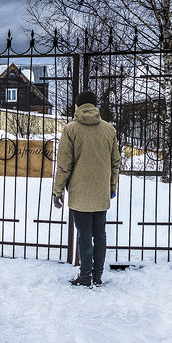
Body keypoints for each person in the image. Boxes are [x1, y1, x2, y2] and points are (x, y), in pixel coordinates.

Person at [52, 90, 121, 287]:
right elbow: (115, 161)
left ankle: (85, 275)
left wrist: (58, 191)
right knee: (100, 234)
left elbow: (64, 164)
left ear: (78, 106)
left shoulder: (71, 129)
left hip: (80, 193)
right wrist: (112, 187)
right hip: (101, 192)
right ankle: (98, 275)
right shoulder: (109, 130)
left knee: (84, 234)